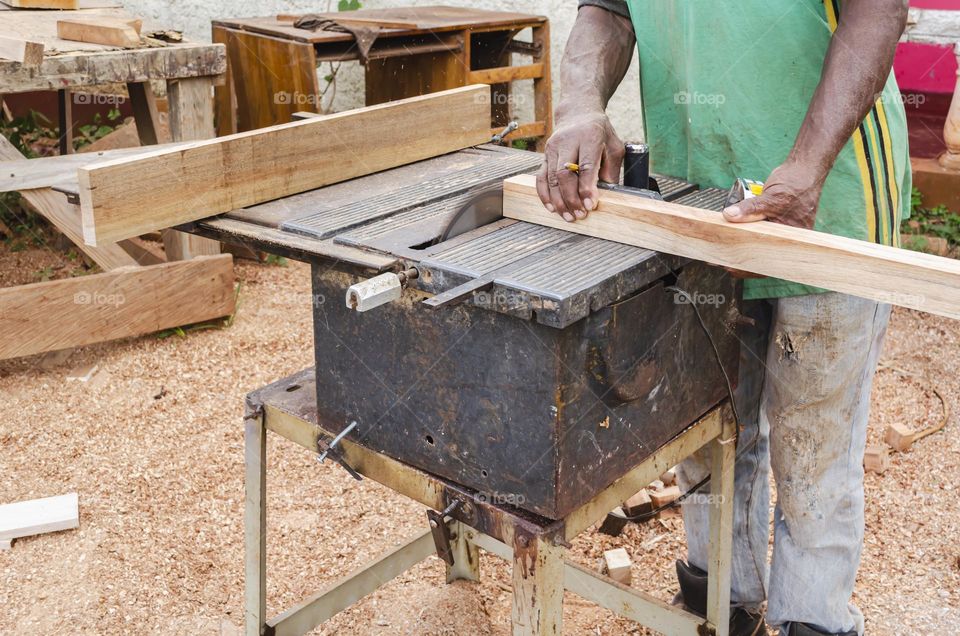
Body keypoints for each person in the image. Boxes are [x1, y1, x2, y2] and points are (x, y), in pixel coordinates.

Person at [536, 2, 911, 635]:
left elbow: (878, 11)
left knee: (813, 444)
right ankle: (722, 605)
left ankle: (813, 621)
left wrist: (808, 165)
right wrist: (578, 106)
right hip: (698, 204)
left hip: (829, 200)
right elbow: (609, 9)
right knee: (707, 422)